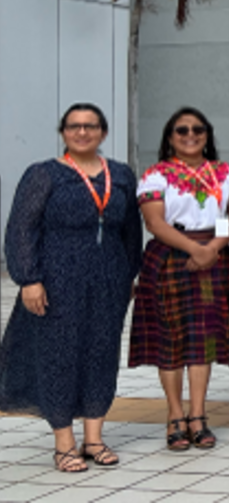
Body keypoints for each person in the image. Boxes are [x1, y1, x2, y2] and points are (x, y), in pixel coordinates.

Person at [0, 104, 142, 472]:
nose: (82, 132)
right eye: (74, 126)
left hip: (109, 280)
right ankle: (64, 442)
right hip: (56, 280)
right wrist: (28, 278)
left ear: (103, 132)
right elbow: (20, 231)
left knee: (101, 353)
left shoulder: (122, 175)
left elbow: (130, 231)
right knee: (58, 356)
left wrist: (129, 276)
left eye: (90, 126)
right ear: (63, 133)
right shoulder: (43, 175)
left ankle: (94, 438)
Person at [130, 107, 229, 451]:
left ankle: (198, 415)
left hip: (215, 253)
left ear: (208, 135)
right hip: (170, 255)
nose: (190, 135)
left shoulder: (224, 172)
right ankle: (174, 415)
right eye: (181, 130)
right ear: (170, 137)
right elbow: (155, 223)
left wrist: (212, 248)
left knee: (203, 339)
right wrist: (195, 251)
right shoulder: (156, 174)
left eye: (198, 129)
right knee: (171, 339)